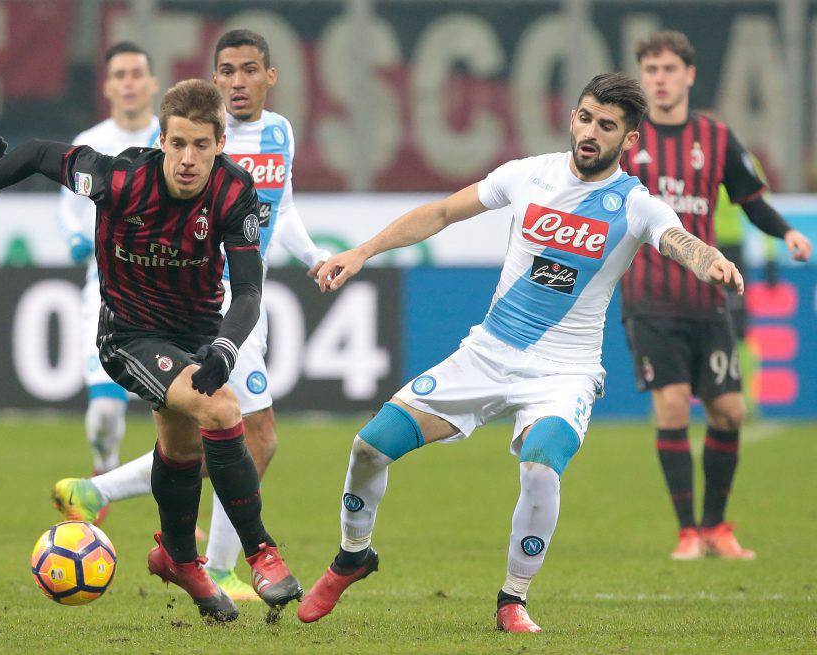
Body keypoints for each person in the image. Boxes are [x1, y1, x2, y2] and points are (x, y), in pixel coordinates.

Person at [296, 73, 744, 633]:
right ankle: (352, 557)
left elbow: (677, 239)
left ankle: (513, 598)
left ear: (628, 141)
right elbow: (440, 213)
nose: (590, 132)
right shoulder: (527, 175)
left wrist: (709, 262)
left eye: (607, 126)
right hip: (485, 355)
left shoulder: (636, 205)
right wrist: (363, 251)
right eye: (585, 117)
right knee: (369, 447)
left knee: (540, 465)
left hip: (564, 372)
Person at [0, 78, 302, 623]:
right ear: (161, 140)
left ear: (220, 146)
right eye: (177, 144)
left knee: (181, 446)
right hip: (128, 337)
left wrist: (225, 346)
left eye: (201, 146)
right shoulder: (118, 177)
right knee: (221, 411)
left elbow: (251, 292)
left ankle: (177, 556)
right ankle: (261, 549)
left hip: (196, 332)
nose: (187, 159)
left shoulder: (236, 192)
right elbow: (38, 155)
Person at [51, 29, 329, 601]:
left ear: (269, 77)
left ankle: (106, 496)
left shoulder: (279, 133)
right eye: (225, 71)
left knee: (197, 439)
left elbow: (284, 208)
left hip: (250, 298)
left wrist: (313, 256)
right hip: (210, 301)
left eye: (249, 70)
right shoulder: (196, 141)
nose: (236, 82)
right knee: (251, 432)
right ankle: (227, 565)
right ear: (214, 80)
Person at [619, 30, 812, 560]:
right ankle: (687, 533)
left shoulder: (716, 136)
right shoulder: (627, 140)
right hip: (650, 297)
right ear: (643, 78)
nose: (659, 79)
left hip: (708, 300)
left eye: (668, 69)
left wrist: (786, 232)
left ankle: (716, 527)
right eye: (651, 70)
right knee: (674, 405)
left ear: (689, 75)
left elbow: (751, 199)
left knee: (728, 410)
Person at [54, 42, 160, 485]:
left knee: (178, 414)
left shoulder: (171, 138)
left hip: (169, 292)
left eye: (137, 73)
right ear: (108, 87)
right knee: (102, 412)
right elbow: (69, 211)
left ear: (153, 83)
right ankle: (105, 466)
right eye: (120, 75)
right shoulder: (89, 144)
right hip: (108, 294)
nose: (129, 82)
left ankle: (175, 510)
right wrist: (79, 238)